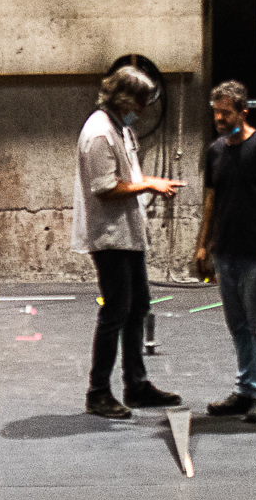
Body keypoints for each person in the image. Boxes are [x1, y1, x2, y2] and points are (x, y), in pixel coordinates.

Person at [75, 63, 180, 419]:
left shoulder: (119, 129)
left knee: (138, 307)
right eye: (142, 101)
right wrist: (149, 185)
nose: (146, 109)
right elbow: (104, 188)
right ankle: (98, 392)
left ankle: (135, 384)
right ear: (125, 99)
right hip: (110, 237)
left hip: (127, 235)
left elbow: (125, 177)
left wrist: (149, 180)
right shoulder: (100, 133)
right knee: (116, 311)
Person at [191, 79, 256, 424]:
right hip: (226, 251)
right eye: (216, 113)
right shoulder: (215, 150)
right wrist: (203, 245)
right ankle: (246, 388)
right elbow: (210, 201)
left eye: (226, 113)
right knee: (237, 325)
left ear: (243, 112)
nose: (219, 118)